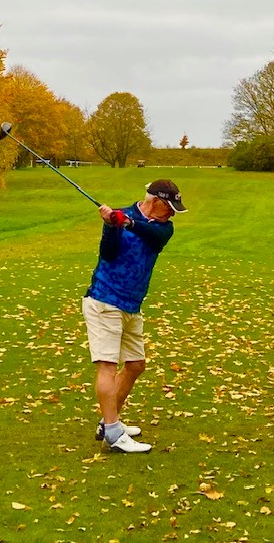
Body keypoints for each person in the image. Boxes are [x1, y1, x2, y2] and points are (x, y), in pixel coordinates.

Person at [82, 179, 187, 453]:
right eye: (169, 207)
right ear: (155, 201)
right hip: (105, 299)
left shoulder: (164, 228)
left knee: (136, 364)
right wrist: (111, 225)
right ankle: (113, 432)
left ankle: (108, 422)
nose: (172, 214)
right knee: (107, 365)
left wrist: (127, 223)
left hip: (131, 304)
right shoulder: (120, 215)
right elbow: (108, 254)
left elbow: (151, 236)